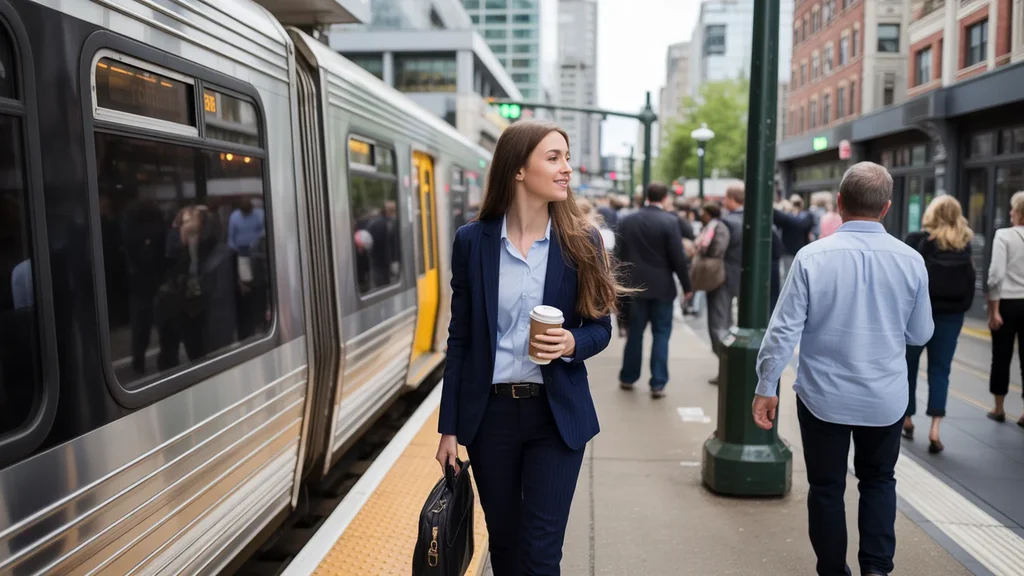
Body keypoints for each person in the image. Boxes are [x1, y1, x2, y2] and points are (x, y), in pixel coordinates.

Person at [435, 120, 625, 575]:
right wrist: (449, 428)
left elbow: (601, 328)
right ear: (518, 170)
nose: (566, 169)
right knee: (504, 545)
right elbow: (459, 340)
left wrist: (572, 341)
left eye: (566, 158)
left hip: (555, 418)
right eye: (553, 158)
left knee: (540, 553)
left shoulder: (584, 242)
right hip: (490, 418)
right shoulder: (472, 242)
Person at [752, 162, 934, 576]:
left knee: (827, 488)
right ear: (886, 208)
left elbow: (782, 331)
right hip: (884, 398)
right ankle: (876, 568)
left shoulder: (812, 257)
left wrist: (767, 386)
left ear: (839, 202)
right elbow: (920, 333)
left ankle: (833, 569)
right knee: (879, 481)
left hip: (823, 398)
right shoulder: (911, 261)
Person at [902, 196, 975, 453]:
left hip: (918, 314)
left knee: (908, 365)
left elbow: (906, 278)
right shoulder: (963, 243)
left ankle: (907, 418)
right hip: (951, 316)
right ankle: (935, 428)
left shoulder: (917, 240)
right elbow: (970, 281)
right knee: (940, 370)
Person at [615, 182, 694, 398]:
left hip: (634, 286)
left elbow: (618, 255)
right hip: (662, 287)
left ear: (647, 196)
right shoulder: (670, 221)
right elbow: (678, 257)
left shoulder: (627, 220)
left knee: (634, 334)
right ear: (665, 197)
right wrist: (687, 286)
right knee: (661, 335)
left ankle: (628, 377)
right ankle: (658, 382)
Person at [986, 190, 1024, 427]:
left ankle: (999, 408)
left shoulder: (1004, 236)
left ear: (1018, 212)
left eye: (1012, 208)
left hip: (1007, 304)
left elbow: (995, 276)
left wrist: (993, 310)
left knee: (1001, 356)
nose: (1010, 212)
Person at [708, 185, 745, 385]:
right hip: (745, 278)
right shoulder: (755, 220)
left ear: (731, 199)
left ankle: (727, 364)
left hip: (723, 277)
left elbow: (716, 250)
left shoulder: (726, 222)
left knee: (719, 324)